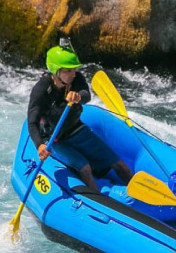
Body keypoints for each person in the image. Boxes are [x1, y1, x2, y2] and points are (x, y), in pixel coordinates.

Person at [28, 44, 132, 191]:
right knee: (85, 167)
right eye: (68, 70)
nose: (74, 73)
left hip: (75, 130)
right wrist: (40, 145)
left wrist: (78, 96)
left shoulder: (75, 80)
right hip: (53, 139)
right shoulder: (41, 89)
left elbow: (86, 94)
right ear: (56, 71)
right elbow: (32, 122)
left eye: (75, 69)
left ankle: (142, 198)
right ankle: (99, 203)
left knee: (120, 165)